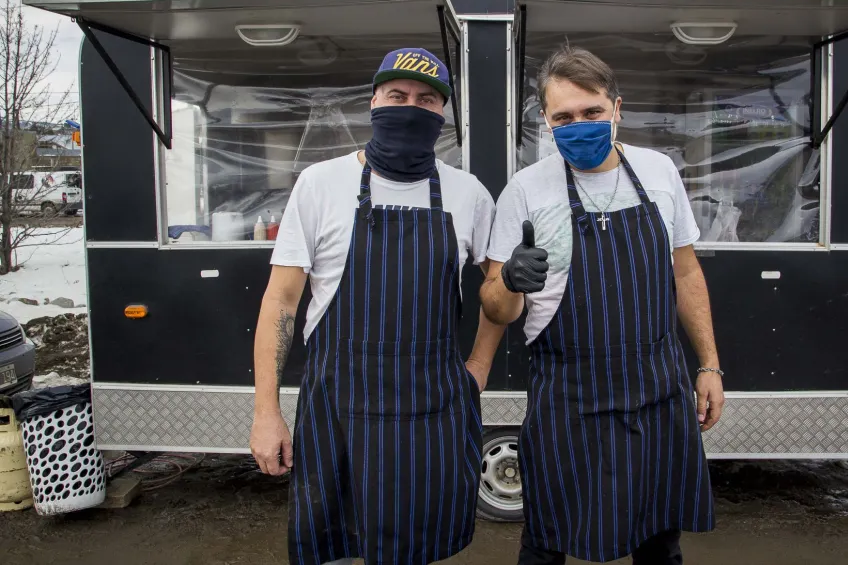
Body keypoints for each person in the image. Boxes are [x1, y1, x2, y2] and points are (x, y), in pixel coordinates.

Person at [249, 47, 505, 565]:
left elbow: (499, 287)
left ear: (442, 115)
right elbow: (281, 300)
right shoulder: (320, 184)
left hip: (429, 411)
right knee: (336, 547)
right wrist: (266, 412)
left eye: (426, 99)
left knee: (415, 548)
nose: (410, 106)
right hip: (339, 407)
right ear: (373, 102)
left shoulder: (468, 193)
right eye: (398, 95)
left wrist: (477, 365)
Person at [481, 44, 724, 565]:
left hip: (657, 384)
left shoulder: (658, 172)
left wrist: (709, 364)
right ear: (546, 122)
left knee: (659, 535)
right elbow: (497, 310)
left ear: (617, 107)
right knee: (548, 536)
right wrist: (511, 283)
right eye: (563, 117)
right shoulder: (525, 191)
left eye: (591, 112)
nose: (579, 125)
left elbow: (686, 272)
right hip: (567, 391)